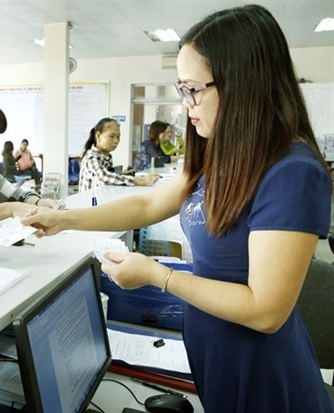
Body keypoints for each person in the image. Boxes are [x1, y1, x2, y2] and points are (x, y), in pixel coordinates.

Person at [22, 5, 333, 412]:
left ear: (242, 85)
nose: (186, 104)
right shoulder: (221, 151)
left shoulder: (291, 171)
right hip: (215, 352)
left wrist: (157, 275)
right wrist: (63, 220)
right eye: (181, 89)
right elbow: (149, 203)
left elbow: (266, 310)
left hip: (261, 371)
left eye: (193, 89)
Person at [79, 117, 159, 191]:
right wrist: (140, 180)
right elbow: (103, 177)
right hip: (91, 204)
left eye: (118, 137)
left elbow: (108, 175)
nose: (116, 141)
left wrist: (123, 174)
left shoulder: (106, 156)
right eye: (111, 136)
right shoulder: (92, 157)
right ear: (98, 136)